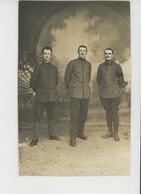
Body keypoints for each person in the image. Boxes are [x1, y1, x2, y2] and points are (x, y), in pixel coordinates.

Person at [29, 47, 60, 147]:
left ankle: (52, 134)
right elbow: (32, 82)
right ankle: (35, 138)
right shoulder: (38, 68)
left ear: (51, 55)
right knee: (37, 116)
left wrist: (50, 91)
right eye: (45, 53)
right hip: (40, 97)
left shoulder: (54, 69)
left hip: (52, 96)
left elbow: (56, 82)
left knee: (51, 115)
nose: (47, 55)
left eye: (48, 54)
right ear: (42, 55)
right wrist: (38, 91)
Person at [96, 48, 127, 141]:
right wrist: (104, 86)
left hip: (114, 94)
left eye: (109, 53)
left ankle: (116, 133)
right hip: (104, 94)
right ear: (104, 55)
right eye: (106, 53)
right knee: (107, 112)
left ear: (112, 55)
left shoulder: (117, 67)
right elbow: (98, 80)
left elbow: (121, 80)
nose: (107, 55)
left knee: (114, 112)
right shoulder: (100, 66)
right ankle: (110, 132)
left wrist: (115, 88)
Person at [64, 45, 91, 146]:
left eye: (84, 50)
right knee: (74, 115)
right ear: (78, 52)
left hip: (85, 94)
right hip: (75, 93)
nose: (82, 52)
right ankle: (72, 137)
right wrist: (72, 88)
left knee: (83, 114)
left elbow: (88, 78)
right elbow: (67, 78)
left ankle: (80, 133)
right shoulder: (72, 63)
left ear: (86, 52)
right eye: (81, 50)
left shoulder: (89, 64)